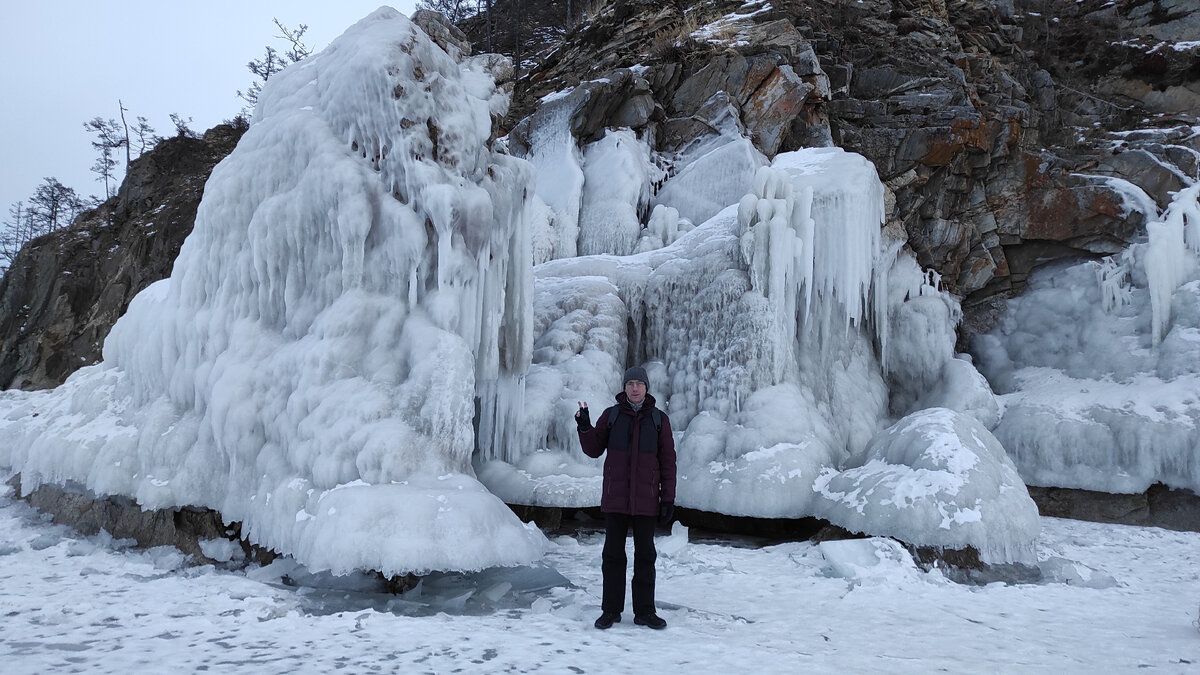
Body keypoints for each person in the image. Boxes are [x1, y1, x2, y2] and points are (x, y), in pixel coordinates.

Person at [575, 365, 677, 630]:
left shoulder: (659, 420)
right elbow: (594, 449)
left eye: (639, 384)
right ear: (624, 387)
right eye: (630, 384)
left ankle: (645, 612)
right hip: (616, 499)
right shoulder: (611, 416)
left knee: (646, 556)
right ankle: (610, 611)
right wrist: (585, 427)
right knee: (612, 556)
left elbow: (668, 462)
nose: (635, 388)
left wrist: (668, 499)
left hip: (646, 500)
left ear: (646, 388)